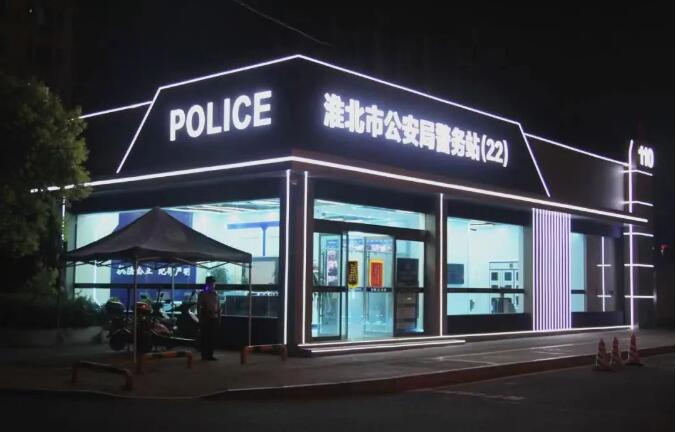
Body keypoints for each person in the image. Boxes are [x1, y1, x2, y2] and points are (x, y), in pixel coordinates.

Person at [197, 276, 221, 360]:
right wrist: (200, 318)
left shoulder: (216, 294)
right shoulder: (202, 294)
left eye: (213, 283)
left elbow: (218, 306)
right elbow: (199, 306)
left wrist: (219, 317)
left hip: (214, 317)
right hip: (205, 318)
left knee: (212, 337)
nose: (213, 285)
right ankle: (204, 355)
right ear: (207, 284)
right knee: (205, 337)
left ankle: (210, 355)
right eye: (211, 283)